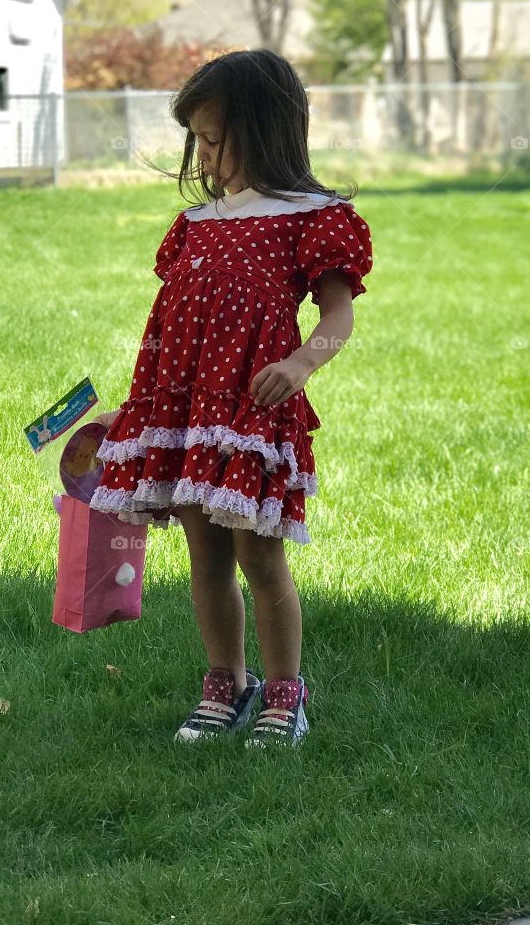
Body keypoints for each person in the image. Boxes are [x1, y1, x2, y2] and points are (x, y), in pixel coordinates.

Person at [88, 49, 373, 748]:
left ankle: (285, 695)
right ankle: (226, 683)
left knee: (259, 556)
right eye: (199, 142)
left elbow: (339, 316)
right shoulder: (196, 227)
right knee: (205, 556)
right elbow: (172, 327)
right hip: (183, 414)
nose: (205, 157)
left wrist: (306, 361)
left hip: (248, 415)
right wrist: (138, 409)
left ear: (266, 129)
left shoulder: (312, 216)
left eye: (215, 140)